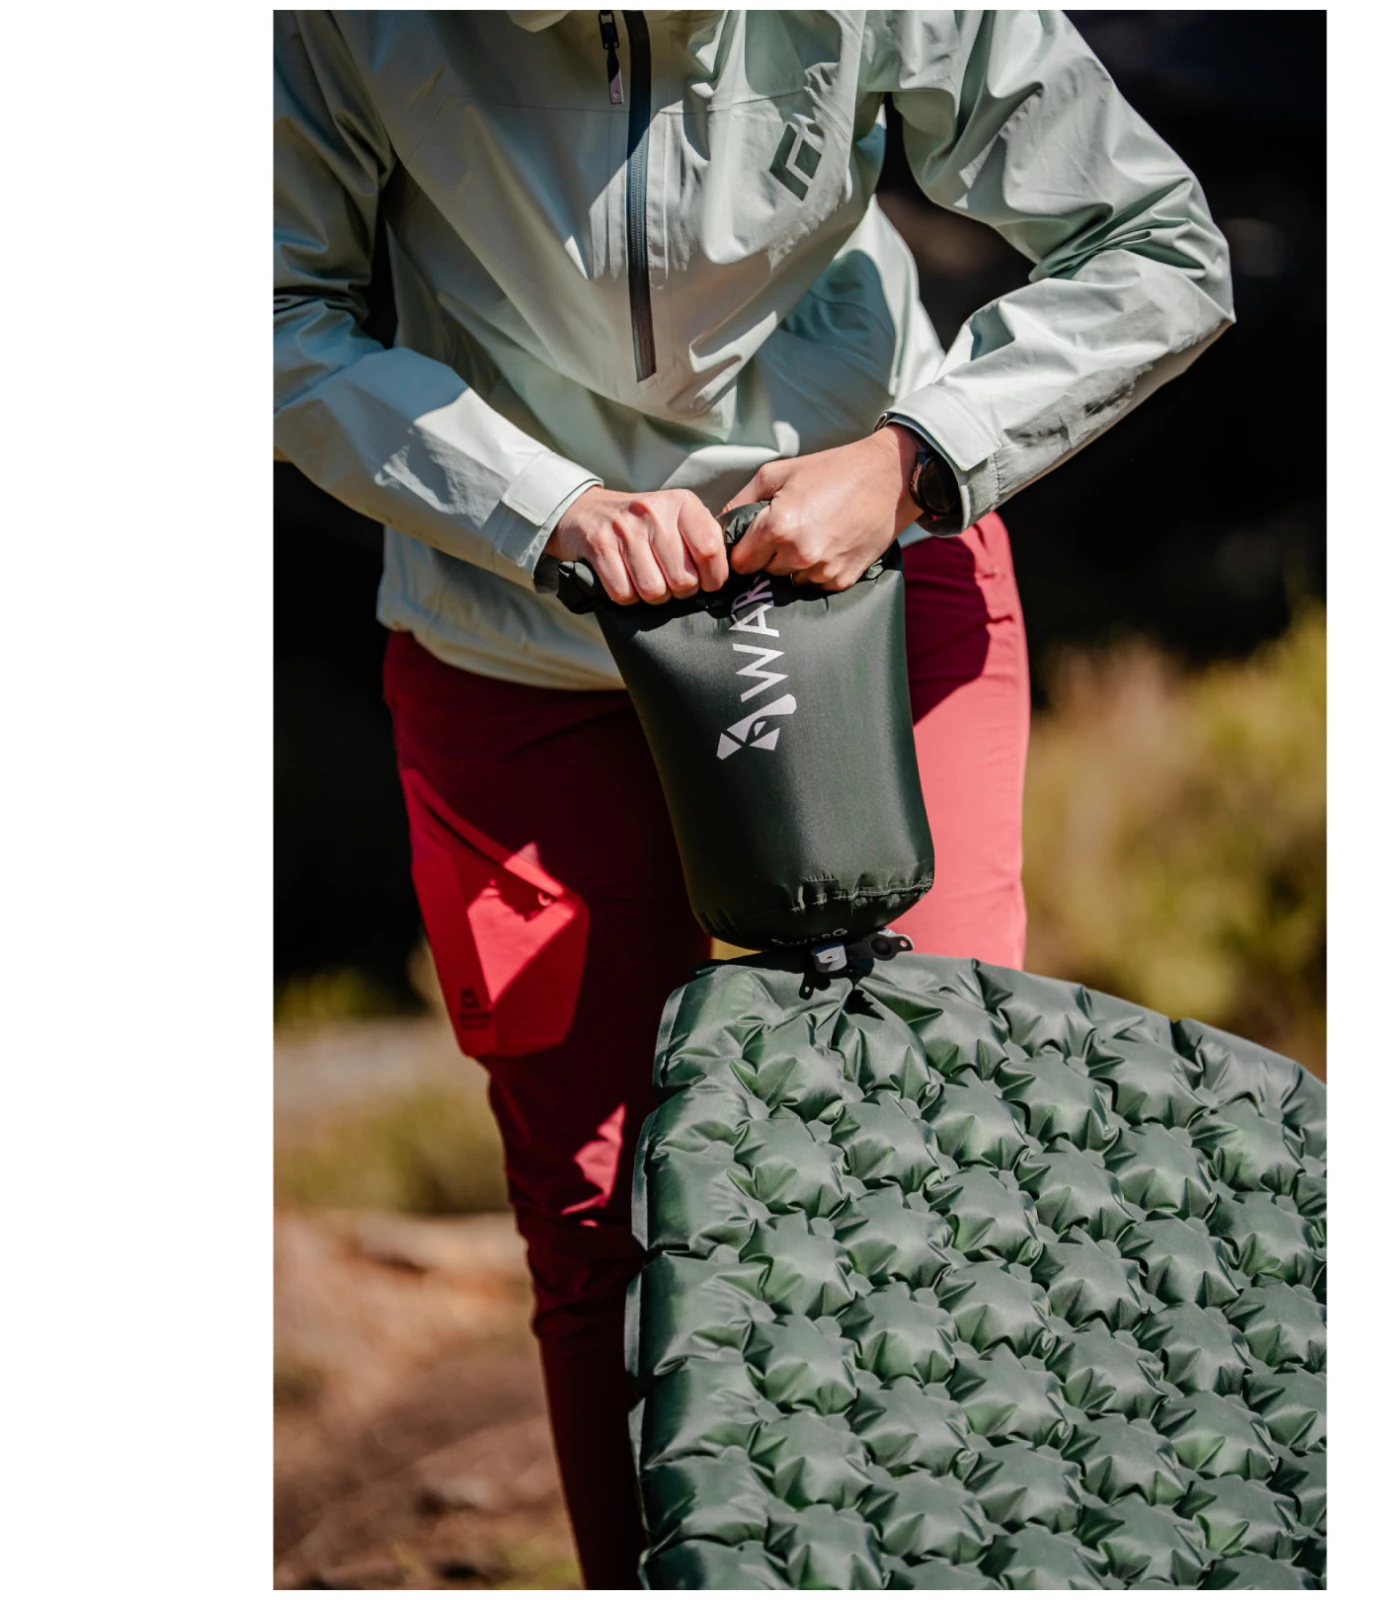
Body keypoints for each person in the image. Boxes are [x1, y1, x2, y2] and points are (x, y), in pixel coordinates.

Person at [274, 9, 1233, 1586]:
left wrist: (917, 456)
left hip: (876, 590)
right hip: (515, 637)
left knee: (937, 1150)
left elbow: (1160, 245)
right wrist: (542, 508)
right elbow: (269, 311)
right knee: (606, 1219)